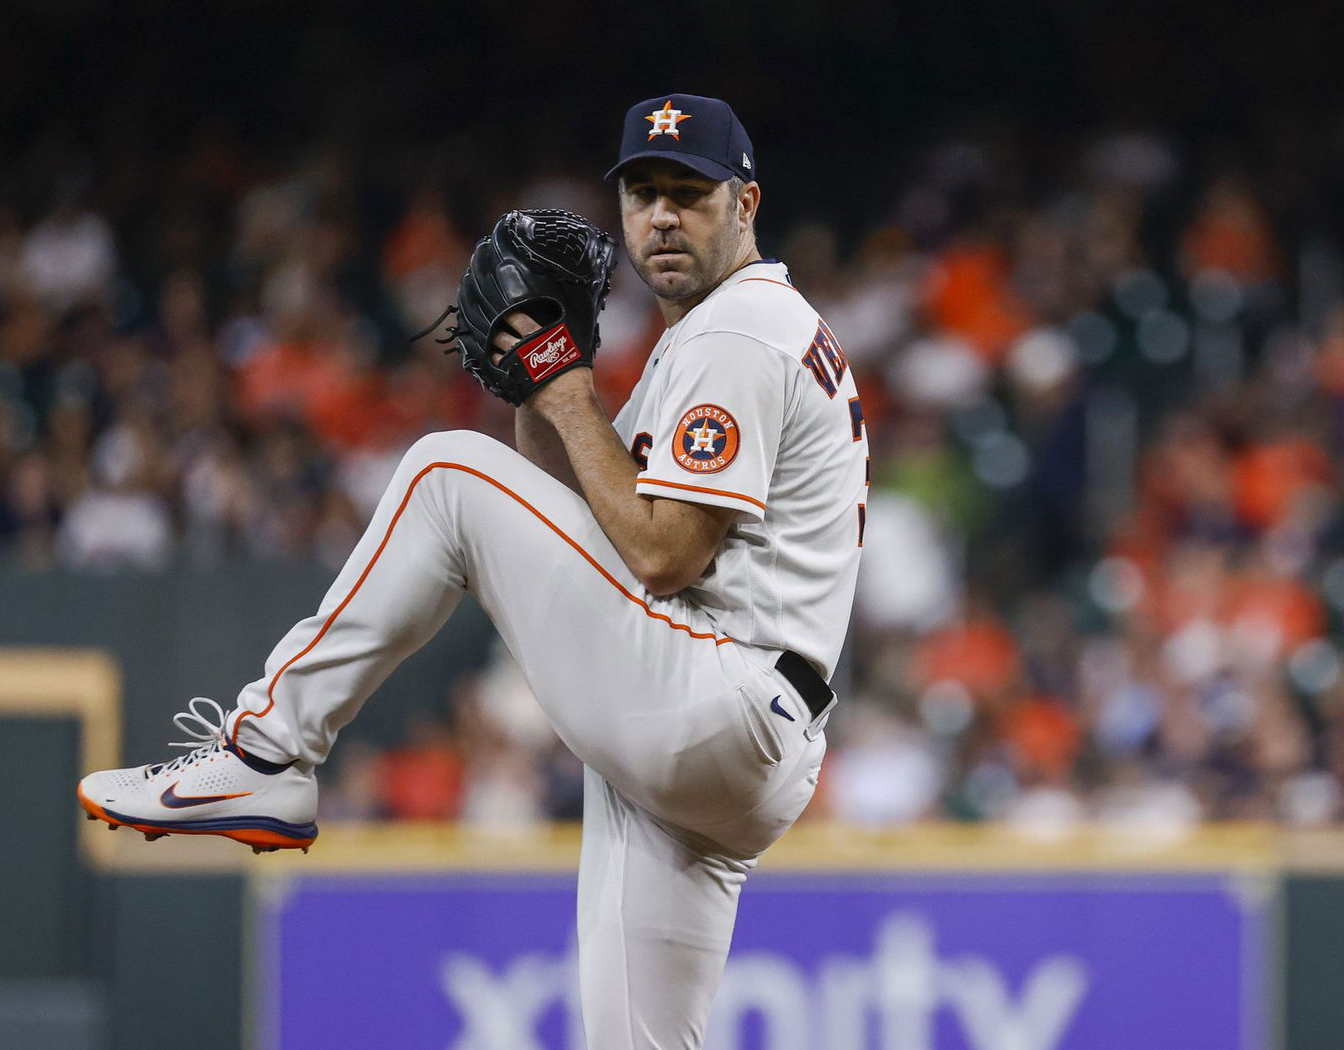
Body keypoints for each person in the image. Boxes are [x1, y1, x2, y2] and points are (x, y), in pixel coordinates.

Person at [76, 93, 868, 1048]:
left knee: (444, 472)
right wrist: (540, 384)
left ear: (745, 204)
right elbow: (575, 527)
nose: (661, 217)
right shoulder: (715, 335)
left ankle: (264, 755)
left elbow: (661, 555)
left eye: (689, 194)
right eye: (643, 194)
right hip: (723, 729)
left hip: (718, 698)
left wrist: (567, 385)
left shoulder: (739, 329)